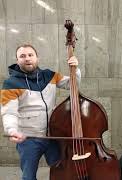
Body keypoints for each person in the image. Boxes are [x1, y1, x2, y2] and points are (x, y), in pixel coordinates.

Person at [1, 44, 81, 180]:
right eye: (22, 56)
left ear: (37, 58)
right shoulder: (11, 84)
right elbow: (9, 112)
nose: (27, 58)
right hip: (28, 139)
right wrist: (12, 130)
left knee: (61, 171)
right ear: (17, 60)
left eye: (30, 55)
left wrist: (75, 69)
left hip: (52, 136)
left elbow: (72, 84)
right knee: (29, 176)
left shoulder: (50, 75)